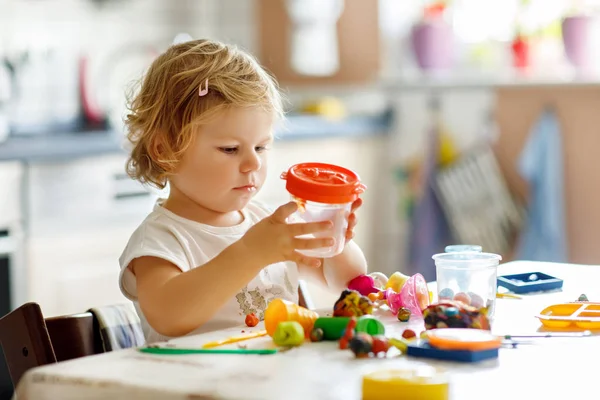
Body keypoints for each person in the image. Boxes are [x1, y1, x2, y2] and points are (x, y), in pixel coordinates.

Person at [118, 39, 367, 343]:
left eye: (261, 146)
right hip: (192, 385)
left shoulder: (265, 224)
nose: (252, 163)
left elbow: (346, 278)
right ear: (165, 149)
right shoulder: (162, 238)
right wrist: (251, 252)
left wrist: (334, 239)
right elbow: (169, 315)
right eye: (230, 149)